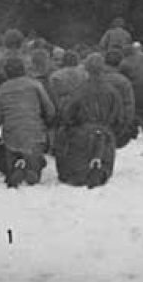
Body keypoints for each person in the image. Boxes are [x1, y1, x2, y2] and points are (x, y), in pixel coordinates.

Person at [55, 53, 122, 188]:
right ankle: (100, 169)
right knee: (104, 165)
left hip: (82, 137)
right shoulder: (113, 92)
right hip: (105, 137)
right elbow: (119, 119)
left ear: (87, 69)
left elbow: (67, 115)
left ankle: (84, 171)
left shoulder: (80, 90)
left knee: (69, 174)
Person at [0, 57, 56, 188]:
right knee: (34, 168)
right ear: (23, 70)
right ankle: (32, 169)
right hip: (34, 135)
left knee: (10, 159)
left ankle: (17, 167)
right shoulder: (35, 85)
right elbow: (50, 110)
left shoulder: (0, 90)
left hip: (11, 136)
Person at [103, 48, 136, 148]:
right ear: (120, 63)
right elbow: (129, 106)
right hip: (115, 126)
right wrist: (126, 125)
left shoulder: (94, 78)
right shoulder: (123, 82)